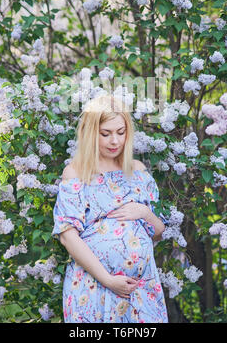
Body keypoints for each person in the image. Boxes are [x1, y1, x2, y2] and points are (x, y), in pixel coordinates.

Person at [52, 94, 168, 323]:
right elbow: (67, 236)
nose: (115, 141)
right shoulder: (76, 173)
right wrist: (108, 279)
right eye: (105, 134)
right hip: (94, 288)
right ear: (90, 133)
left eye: (120, 132)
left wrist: (144, 212)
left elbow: (159, 232)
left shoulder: (137, 170)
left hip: (141, 290)